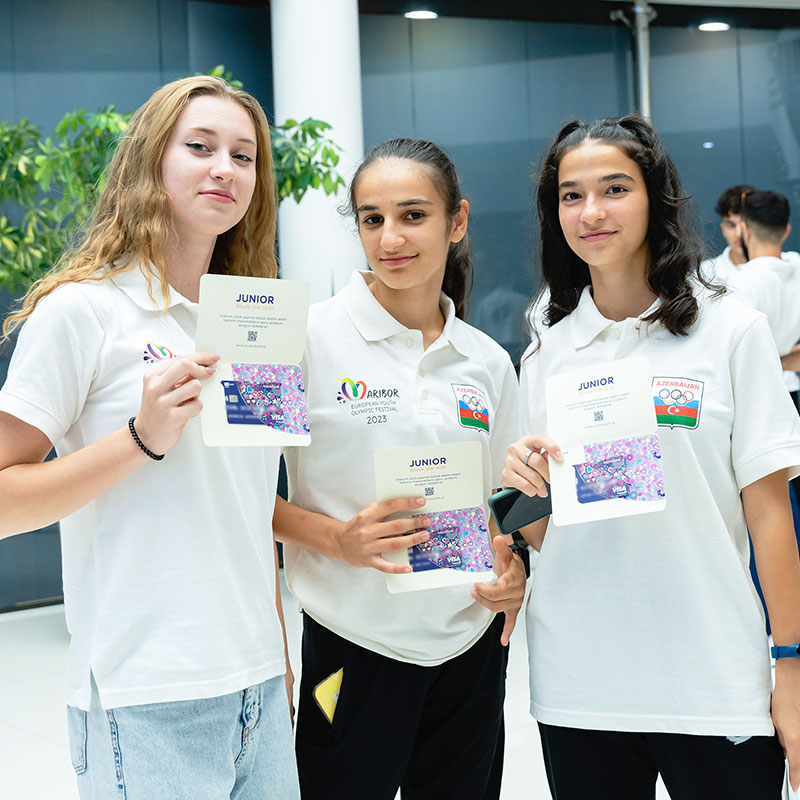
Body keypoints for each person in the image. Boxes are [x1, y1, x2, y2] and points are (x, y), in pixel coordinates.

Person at [0, 77, 300, 799]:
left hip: (258, 684)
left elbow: (244, 512)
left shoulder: (257, 321)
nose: (225, 169)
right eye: (199, 147)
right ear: (150, 160)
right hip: (145, 694)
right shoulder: (83, 311)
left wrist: (278, 658)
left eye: (244, 156)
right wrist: (139, 438)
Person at [503, 116, 800, 799]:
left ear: (655, 198)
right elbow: (545, 532)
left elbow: (770, 516)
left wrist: (790, 665)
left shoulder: (731, 330)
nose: (592, 212)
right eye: (571, 196)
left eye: (614, 189)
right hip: (580, 684)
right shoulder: (547, 352)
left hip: (714, 681)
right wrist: (525, 491)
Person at [273, 138, 524, 800]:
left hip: (469, 646)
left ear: (457, 221)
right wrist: (337, 539)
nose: (390, 238)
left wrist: (515, 564)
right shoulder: (303, 339)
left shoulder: (486, 361)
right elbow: (236, 496)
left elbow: (508, 499)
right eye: (372, 219)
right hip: (349, 644)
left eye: (413, 215)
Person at [701, 184, 755, 281]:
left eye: (746, 225)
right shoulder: (704, 275)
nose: (739, 234)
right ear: (723, 230)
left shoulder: (781, 267)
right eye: (731, 225)